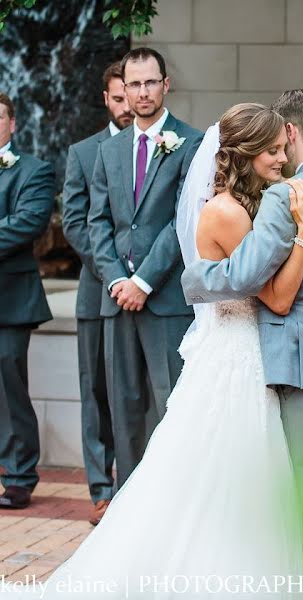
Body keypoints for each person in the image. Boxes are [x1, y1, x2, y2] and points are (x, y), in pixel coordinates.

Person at [4, 104, 303, 599]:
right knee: (227, 472)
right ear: (245, 155)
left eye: (284, 148)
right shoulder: (228, 213)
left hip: (252, 351)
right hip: (238, 355)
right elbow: (277, 296)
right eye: (274, 151)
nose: (284, 159)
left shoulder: (252, 205)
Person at [182, 89, 303, 600]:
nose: (276, 154)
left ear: (289, 133)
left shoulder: (284, 196)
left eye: (277, 141)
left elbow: (247, 275)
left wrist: (195, 278)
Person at [87, 47, 202, 486]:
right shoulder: (110, 150)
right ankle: (127, 510)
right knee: (124, 408)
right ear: (123, 89)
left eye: (150, 82)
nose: (142, 92)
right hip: (116, 301)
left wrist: (143, 280)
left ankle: (172, 499)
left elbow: (182, 221)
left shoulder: (190, 143)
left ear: (165, 84)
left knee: (170, 404)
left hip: (166, 300)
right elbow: (98, 221)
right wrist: (118, 278)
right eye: (133, 84)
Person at [61, 61, 133, 525]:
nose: (128, 106)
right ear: (106, 100)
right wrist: (113, 272)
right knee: (97, 393)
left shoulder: (161, 147)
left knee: (135, 393)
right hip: (98, 294)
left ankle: (133, 486)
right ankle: (101, 489)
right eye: (119, 98)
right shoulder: (84, 152)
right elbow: (73, 222)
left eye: (133, 96)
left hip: (149, 291)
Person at [0, 92, 54, 510]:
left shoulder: (33, 170)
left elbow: (27, 224)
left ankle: (19, 476)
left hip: (10, 301)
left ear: (12, 123)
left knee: (9, 385)